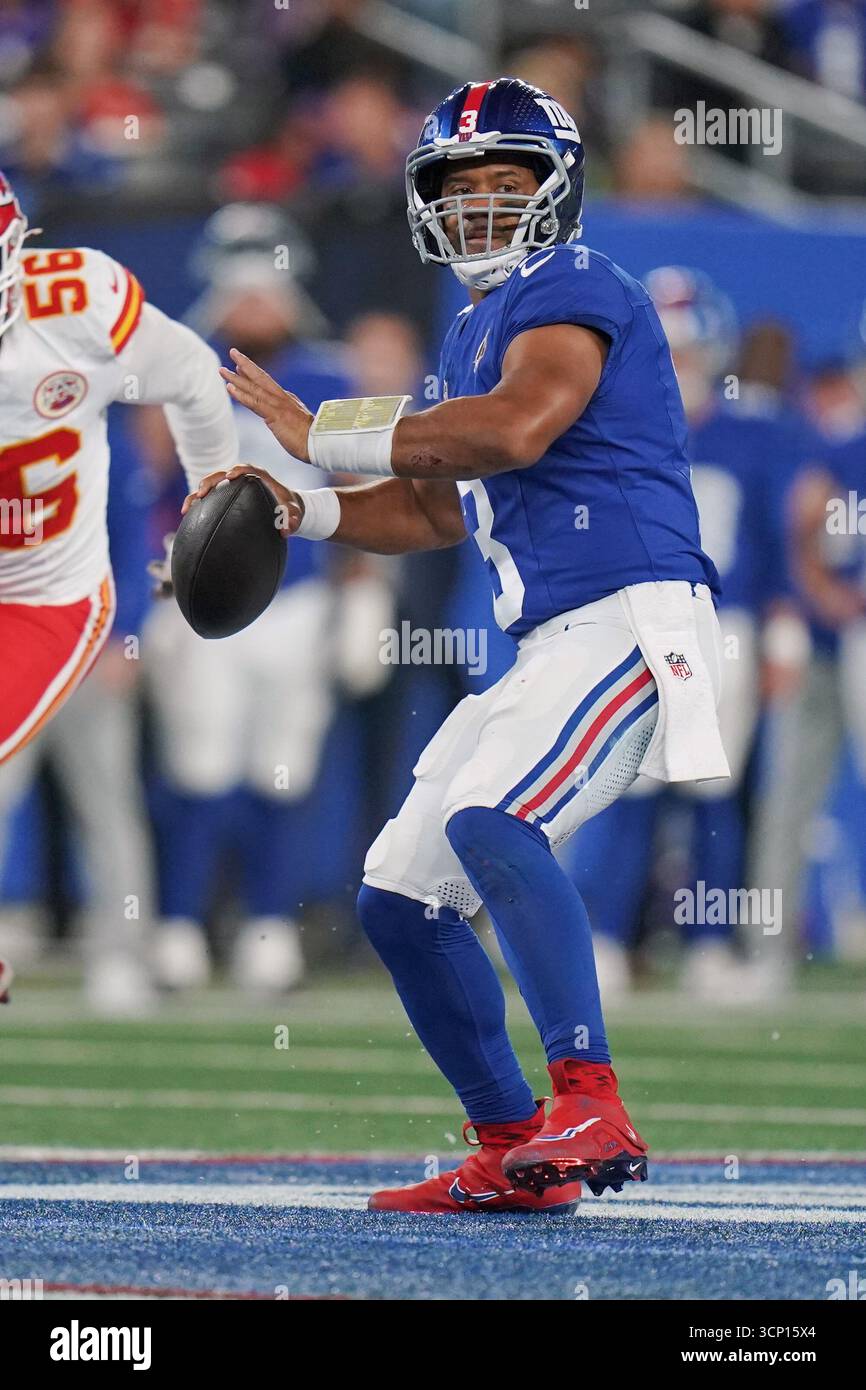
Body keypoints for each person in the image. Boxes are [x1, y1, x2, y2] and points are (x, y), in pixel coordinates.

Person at [187, 78, 728, 1215]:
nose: (480, 204)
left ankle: (592, 1096)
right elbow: (441, 505)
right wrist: (304, 509)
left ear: (556, 189)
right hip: (551, 644)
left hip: (631, 617)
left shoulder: (573, 285)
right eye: (459, 185)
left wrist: (320, 430)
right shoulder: (471, 327)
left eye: (504, 181)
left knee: (495, 821)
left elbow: (512, 427)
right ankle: (510, 1143)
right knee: (398, 892)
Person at [0, 170, 239, 999]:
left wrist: (210, 516)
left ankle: (120, 954)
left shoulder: (80, 307)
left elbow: (195, 379)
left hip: (75, 614)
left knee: (107, 802)